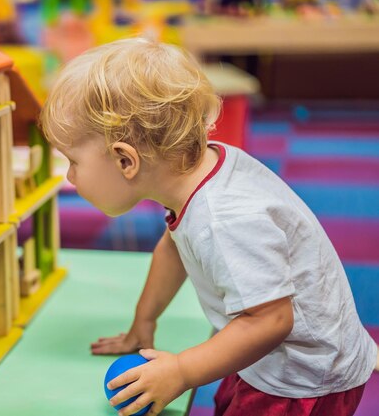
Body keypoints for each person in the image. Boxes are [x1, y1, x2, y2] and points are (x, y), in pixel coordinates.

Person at [39, 37, 378, 416]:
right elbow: (174, 248)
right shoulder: (200, 173)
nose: (70, 177)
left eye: (72, 161)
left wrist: (182, 371)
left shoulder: (224, 217)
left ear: (125, 160)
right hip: (266, 354)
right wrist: (144, 321)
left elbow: (272, 320)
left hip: (303, 379)